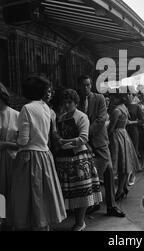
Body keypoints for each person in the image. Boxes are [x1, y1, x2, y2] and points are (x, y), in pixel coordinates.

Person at [11, 76, 66, 231]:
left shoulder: (27, 109)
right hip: (45, 155)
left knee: (29, 198)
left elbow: (23, 140)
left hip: (29, 157)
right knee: (43, 196)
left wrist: (14, 139)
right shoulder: (46, 108)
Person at [77, 75, 125, 218]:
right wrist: (83, 139)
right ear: (79, 86)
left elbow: (100, 119)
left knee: (107, 170)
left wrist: (85, 134)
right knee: (89, 172)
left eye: (88, 85)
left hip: (99, 140)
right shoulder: (77, 101)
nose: (86, 88)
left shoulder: (99, 98)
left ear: (91, 85)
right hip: (84, 143)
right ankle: (96, 203)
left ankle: (110, 206)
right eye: (83, 85)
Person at [55, 89, 102, 231]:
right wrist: (58, 140)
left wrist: (65, 141)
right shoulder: (62, 117)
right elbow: (57, 134)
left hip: (79, 158)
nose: (67, 105)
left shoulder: (82, 117)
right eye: (65, 102)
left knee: (81, 191)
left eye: (70, 102)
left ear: (76, 102)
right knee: (70, 191)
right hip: (65, 158)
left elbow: (84, 138)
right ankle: (77, 220)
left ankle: (80, 222)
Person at [107, 90, 140, 201]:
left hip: (117, 136)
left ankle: (120, 189)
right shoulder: (124, 108)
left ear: (117, 98)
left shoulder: (116, 110)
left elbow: (111, 128)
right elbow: (126, 123)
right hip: (124, 135)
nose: (111, 100)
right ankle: (123, 187)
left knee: (119, 164)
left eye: (112, 98)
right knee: (124, 164)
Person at [0, 83, 19, 230]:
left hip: (12, 157)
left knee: (12, 189)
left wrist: (6, 144)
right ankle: (1, 218)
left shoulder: (16, 115)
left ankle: (12, 219)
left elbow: (24, 141)